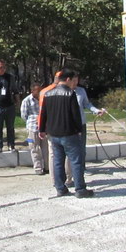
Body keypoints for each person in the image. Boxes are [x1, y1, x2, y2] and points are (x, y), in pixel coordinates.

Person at [39, 68, 94, 198]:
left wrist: (42, 129)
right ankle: (80, 189)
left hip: (53, 133)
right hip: (69, 132)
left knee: (58, 161)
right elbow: (75, 115)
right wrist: (79, 130)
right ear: (68, 79)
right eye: (73, 80)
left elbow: (44, 113)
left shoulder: (48, 94)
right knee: (76, 161)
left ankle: (60, 188)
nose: (74, 83)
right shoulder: (70, 94)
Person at [38, 71, 70, 182]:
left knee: (52, 155)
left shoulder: (44, 91)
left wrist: (41, 128)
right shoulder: (65, 92)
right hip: (62, 127)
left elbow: (42, 112)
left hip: (49, 127)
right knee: (65, 154)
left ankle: (54, 180)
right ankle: (67, 178)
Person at [75, 76, 105, 170]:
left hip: (81, 123)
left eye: (77, 80)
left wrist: (96, 110)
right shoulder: (64, 92)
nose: (75, 82)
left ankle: (81, 167)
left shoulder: (81, 91)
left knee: (81, 147)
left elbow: (87, 104)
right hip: (69, 125)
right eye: (73, 80)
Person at [21, 83, 48, 174]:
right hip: (32, 128)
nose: (40, 92)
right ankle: (38, 168)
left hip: (44, 127)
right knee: (34, 148)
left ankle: (47, 167)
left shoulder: (44, 98)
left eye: (40, 90)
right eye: (38, 90)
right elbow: (24, 115)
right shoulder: (27, 101)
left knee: (46, 148)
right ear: (32, 91)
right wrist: (32, 121)